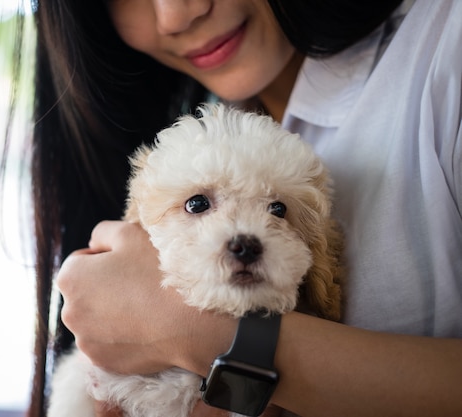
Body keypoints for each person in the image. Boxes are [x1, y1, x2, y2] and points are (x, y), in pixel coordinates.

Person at [24, 1, 462, 416]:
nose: (179, 13)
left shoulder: (446, 46)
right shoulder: (194, 131)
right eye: (197, 205)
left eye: (276, 209)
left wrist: (221, 341)